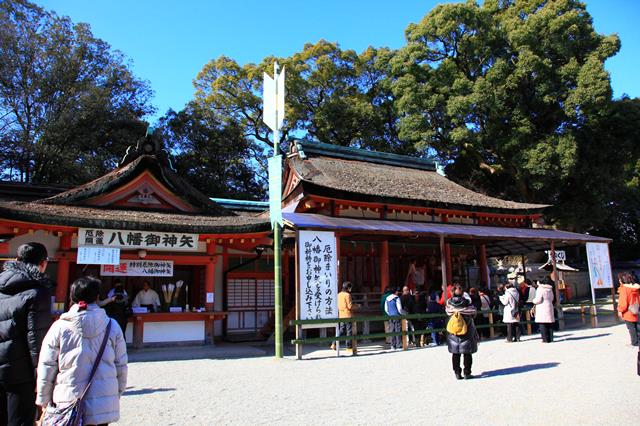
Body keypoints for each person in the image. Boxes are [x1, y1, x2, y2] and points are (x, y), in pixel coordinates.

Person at [36, 276, 127, 425]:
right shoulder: (113, 326)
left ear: (72, 296)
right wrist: (116, 392)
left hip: (68, 399)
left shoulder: (59, 327)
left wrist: (43, 398)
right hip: (103, 398)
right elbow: (121, 364)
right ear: (98, 297)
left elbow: (47, 365)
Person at [0, 242, 54, 426]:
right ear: (43, 263)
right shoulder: (37, 292)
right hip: (20, 370)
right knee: (20, 420)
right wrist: (42, 374)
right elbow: (37, 338)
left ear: (16, 260)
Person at [445, 286, 479, 380]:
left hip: (453, 333)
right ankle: (467, 373)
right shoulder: (468, 305)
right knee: (467, 353)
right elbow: (474, 313)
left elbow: (446, 314)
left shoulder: (449, 306)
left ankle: (457, 372)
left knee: (455, 353)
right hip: (467, 332)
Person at [334, 281, 359, 351]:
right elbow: (350, 306)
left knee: (341, 330)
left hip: (341, 314)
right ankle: (348, 347)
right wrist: (357, 306)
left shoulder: (339, 294)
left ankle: (334, 343)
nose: (351, 289)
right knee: (349, 331)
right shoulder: (347, 295)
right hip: (348, 315)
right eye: (350, 287)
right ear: (348, 288)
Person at [617, 273, 640, 346]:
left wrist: (620, 310)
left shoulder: (624, 289)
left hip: (628, 311)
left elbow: (623, 302)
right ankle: (637, 341)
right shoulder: (636, 288)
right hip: (636, 309)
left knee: (631, 327)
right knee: (636, 326)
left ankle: (634, 342)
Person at [532, 278, 556, 343]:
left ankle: (544, 339)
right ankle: (551, 338)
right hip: (549, 306)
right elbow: (552, 298)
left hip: (542, 307)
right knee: (549, 324)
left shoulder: (540, 289)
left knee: (542, 324)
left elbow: (538, 300)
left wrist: (533, 301)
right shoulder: (549, 289)